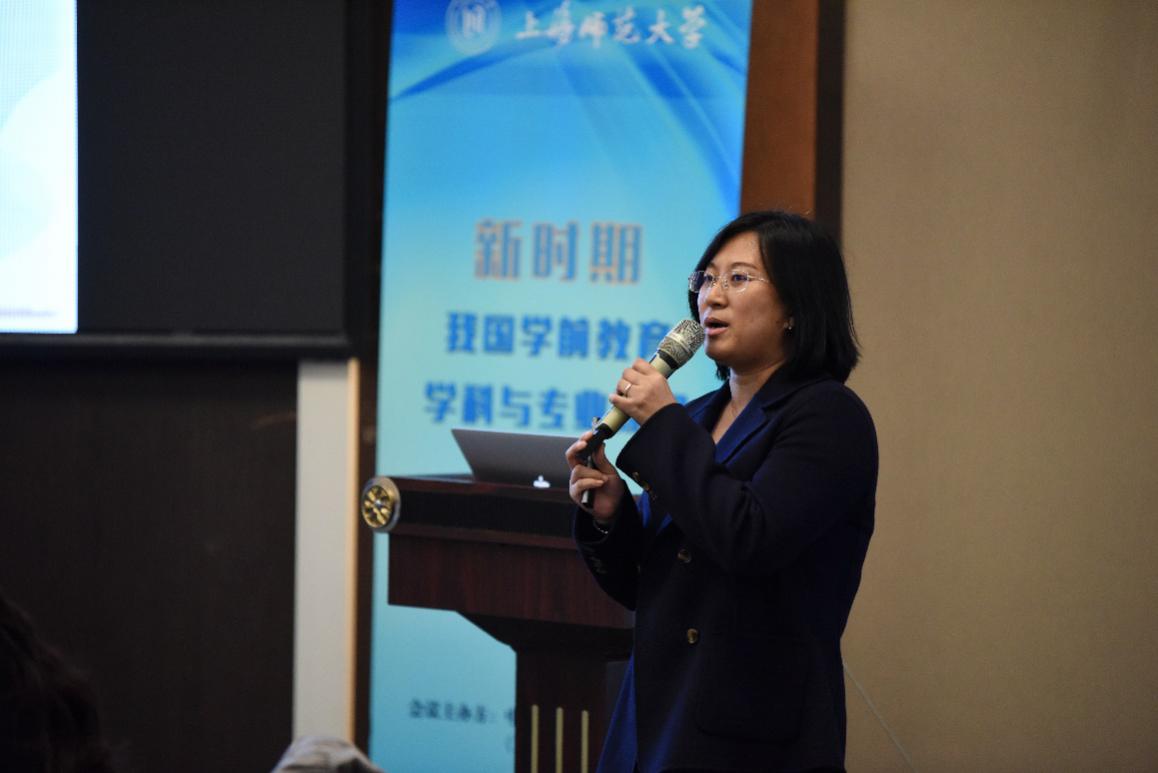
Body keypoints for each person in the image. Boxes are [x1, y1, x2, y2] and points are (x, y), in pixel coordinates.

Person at [566, 210, 877, 773]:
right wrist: (612, 515)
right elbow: (647, 585)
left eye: (738, 278)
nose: (712, 296)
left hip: (748, 731)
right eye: (706, 278)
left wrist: (662, 425)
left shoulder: (829, 416)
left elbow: (749, 539)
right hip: (654, 719)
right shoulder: (697, 417)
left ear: (796, 306)